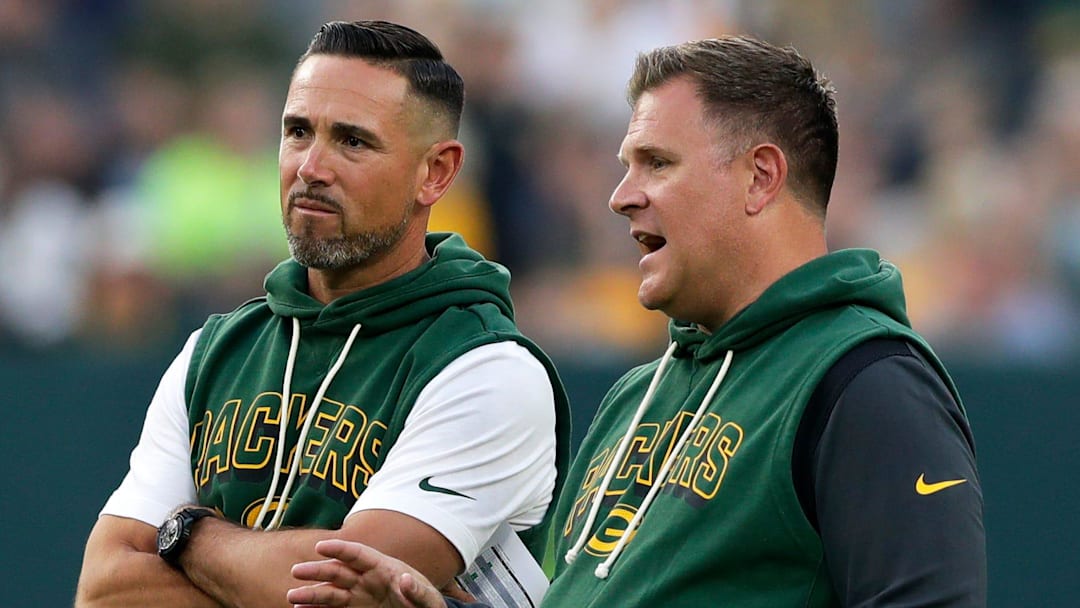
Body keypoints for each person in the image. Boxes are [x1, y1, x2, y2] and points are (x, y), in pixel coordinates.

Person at [285, 35, 986, 607]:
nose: (621, 196)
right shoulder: (635, 395)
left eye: (656, 163)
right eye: (627, 165)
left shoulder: (868, 382)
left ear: (760, 177)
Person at [74, 20, 571, 608]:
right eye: (297, 132)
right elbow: (104, 589)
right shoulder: (215, 351)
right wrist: (262, 575)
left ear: (435, 172)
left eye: (352, 141)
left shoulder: (486, 370)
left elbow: (339, 596)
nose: (311, 167)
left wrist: (186, 534)